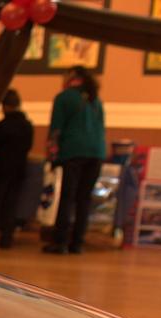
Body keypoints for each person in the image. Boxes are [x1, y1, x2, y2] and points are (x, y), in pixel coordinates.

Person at [44, 65, 105, 255]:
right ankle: (77, 243)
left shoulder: (64, 97)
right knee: (83, 200)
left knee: (67, 198)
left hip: (73, 153)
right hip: (96, 154)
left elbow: (56, 129)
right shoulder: (95, 100)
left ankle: (60, 242)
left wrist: (52, 157)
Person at [0, 88, 33, 248]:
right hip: (19, 167)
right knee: (12, 203)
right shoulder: (27, 126)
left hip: (2, 166)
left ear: (4, 106)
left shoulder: (2, 125)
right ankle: (6, 238)